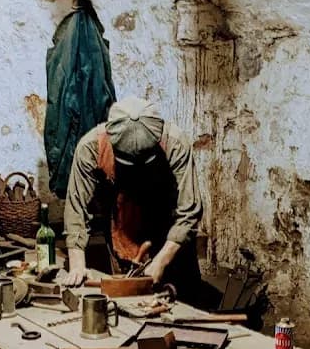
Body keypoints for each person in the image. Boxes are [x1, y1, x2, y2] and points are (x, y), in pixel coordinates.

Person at [59, 95, 204, 302]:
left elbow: (189, 210)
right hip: (123, 228)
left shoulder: (175, 143)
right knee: (127, 304)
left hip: (171, 234)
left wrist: (161, 261)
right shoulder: (91, 147)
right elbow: (76, 209)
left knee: (185, 309)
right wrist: (77, 265)